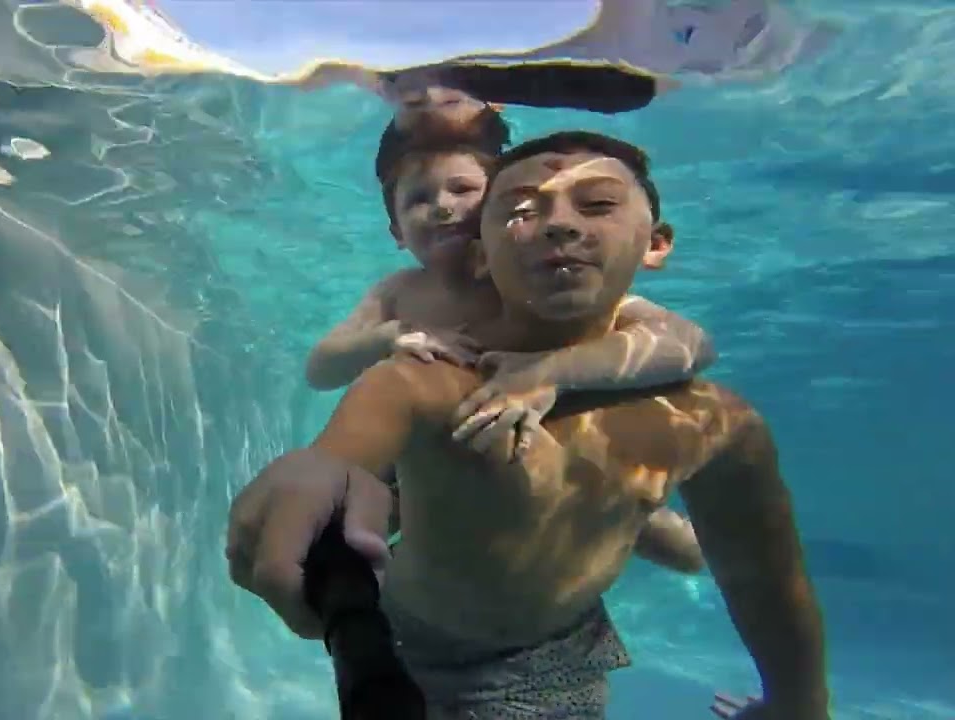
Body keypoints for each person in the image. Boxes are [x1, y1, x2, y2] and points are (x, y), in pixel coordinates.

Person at [228, 131, 828, 719]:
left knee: (656, 528)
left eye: (596, 204)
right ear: (482, 256)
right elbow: (342, 448)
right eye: (520, 210)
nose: (560, 224)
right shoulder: (429, 378)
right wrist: (320, 473)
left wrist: (801, 705)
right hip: (404, 642)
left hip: (558, 659)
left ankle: (640, 516)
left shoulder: (712, 419)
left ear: (656, 244)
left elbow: (767, 583)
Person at [307, 132, 714, 572]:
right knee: (361, 516)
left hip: (548, 435)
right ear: (397, 232)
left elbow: (687, 341)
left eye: (463, 190)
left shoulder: (529, 283)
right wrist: (388, 337)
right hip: (436, 442)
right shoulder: (398, 293)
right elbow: (321, 367)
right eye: (419, 200)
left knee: (660, 533)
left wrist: (551, 371)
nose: (443, 206)